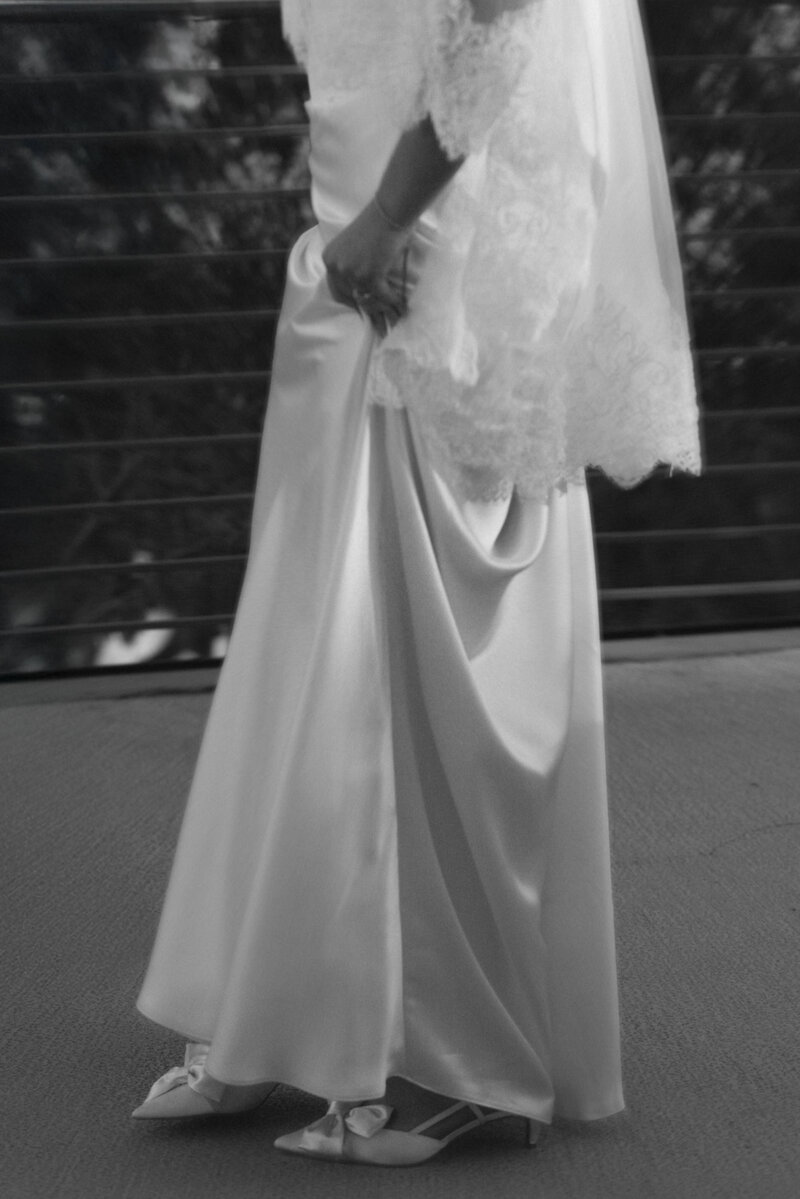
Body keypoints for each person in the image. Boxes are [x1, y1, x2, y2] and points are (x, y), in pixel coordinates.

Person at [131, 0, 700, 1167]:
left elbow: (493, 20)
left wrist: (391, 213)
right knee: (323, 630)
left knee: (428, 651)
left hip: (431, 243)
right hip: (372, 226)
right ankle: (282, 1012)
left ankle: (461, 1064)